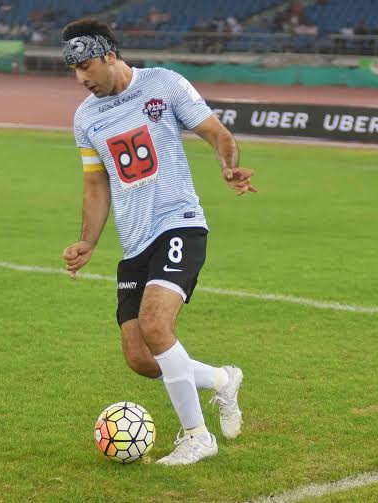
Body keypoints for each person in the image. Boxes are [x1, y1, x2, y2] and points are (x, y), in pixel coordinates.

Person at [60, 19, 257, 466]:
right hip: (135, 244)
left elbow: (217, 134)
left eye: (85, 66)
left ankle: (197, 438)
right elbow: (96, 184)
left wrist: (229, 166)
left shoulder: (163, 84)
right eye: (73, 71)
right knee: (140, 357)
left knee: (155, 325)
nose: (80, 78)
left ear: (109, 54)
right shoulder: (86, 117)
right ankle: (223, 380)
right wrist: (87, 240)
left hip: (179, 224)